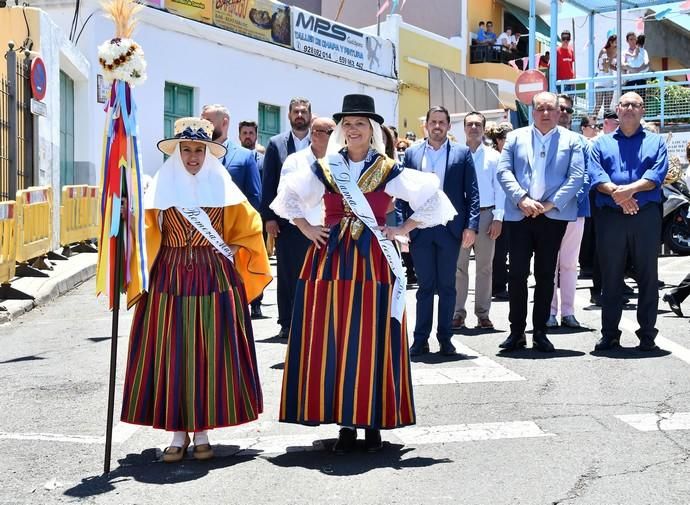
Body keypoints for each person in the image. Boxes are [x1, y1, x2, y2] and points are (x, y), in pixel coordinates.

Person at [270, 94, 456, 453]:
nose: (353, 130)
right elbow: (286, 198)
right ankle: (343, 422)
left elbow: (435, 201)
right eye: (348, 124)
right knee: (333, 338)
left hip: (373, 257)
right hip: (332, 260)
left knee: (373, 336)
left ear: (372, 131)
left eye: (360, 124)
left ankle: (373, 420)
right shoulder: (326, 167)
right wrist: (307, 227)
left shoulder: (388, 168)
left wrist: (402, 229)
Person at [120, 117, 271, 462]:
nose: (192, 157)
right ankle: (177, 433)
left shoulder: (223, 186)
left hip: (214, 279)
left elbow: (251, 226)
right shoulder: (158, 189)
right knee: (171, 354)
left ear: (207, 153)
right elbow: (141, 235)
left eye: (198, 150)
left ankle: (202, 431)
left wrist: (234, 248)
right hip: (168, 280)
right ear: (177, 152)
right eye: (186, 150)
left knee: (210, 353)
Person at [496, 91, 585, 352]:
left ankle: (541, 332)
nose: (546, 114)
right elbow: (504, 171)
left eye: (551, 109)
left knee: (546, 275)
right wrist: (521, 199)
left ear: (559, 112)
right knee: (518, 274)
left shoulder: (572, 140)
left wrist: (549, 204)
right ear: (532, 112)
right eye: (540, 109)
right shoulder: (514, 137)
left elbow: (576, 176)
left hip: (552, 216)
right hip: (519, 214)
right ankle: (516, 332)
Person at [589, 92, 668, 351]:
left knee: (647, 276)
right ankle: (610, 333)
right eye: (625, 104)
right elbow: (596, 176)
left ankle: (647, 335)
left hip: (645, 217)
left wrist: (627, 192)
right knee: (610, 277)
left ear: (642, 110)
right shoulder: (600, 144)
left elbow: (655, 175)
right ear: (617, 109)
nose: (630, 109)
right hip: (611, 217)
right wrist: (620, 196)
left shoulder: (657, 142)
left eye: (636, 105)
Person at [399, 105, 480, 356]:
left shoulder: (462, 153)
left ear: (448, 125)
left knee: (447, 286)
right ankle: (420, 339)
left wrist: (471, 226)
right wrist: (404, 228)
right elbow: (402, 193)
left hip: (449, 229)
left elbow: (473, 193)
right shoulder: (411, 154)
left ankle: (446, 338)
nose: (437, 126)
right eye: (432, 122)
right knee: (424, 287)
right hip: (420, 229)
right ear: (426, 125)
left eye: (441, 122)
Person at [201, 105, 263, 319]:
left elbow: (254, 199)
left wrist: (241, 240)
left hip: (230, 241)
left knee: (228, 301)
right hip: (197, 239)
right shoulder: (193, 153)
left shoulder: (245, 157)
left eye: (208, 120)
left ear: (224, 122)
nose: (204, 125)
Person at [260, 97, 313, 339]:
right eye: (296, 112)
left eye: (304, 111)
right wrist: (268, 218)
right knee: (288, 273)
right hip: (285, 222)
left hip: (315, 221)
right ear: (289, 115)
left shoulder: (321, 141)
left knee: (313, 272)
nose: (300, 115)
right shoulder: (276, 144)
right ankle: (287, 321)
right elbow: (268, 183)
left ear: (310, 115)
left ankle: (312, 318)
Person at [453, 111, 503, 330]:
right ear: (464, 128)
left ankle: (483, 313)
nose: (473, 127)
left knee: (485, 267)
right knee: (458, 267)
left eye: (477, 124)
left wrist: (498, 218)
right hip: (459, 217)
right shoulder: (455, 154)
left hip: (486, 215)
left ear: (484, 129)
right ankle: (457, 313)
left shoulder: (494, 157)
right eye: (469, 124)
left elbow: (500, 189)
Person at [547, 95, 591, 329]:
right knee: (547, 264)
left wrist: (566, 201)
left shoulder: (581, 141)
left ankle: (568, 312)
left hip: (574, 210)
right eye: (559, 108)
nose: (564, 112)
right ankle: (550, 313)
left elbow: (587, 176)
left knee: (569, 264)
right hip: (545, 212)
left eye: (568, 109)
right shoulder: (541, 139)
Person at [277, 117, 334, 227]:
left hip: (331, 231)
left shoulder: (339, 161)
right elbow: (285, 199)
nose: (336, 136)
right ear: (314, 134)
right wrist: (307, 229)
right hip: (299, 231)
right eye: (331, 132)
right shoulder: (295, 160)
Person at [485, 121, 514, 300]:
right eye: (505, 138)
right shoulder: (494, 157)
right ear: (498, 140)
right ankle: (498, 286)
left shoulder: (516, 156)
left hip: (515, 208)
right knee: (499, 252)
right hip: (498, 210)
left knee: (514, 251)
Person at [594, 35, 617, 118]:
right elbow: (605, 66)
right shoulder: (604, 51)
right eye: (615, 42)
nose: (617, 44)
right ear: (611, 42)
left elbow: (613, 66)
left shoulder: (616, 51)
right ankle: (592, 121)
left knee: (607, 106)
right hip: (601, 80)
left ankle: (605, 123)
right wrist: (613, 58)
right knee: (598, 104)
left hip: (610, 81)